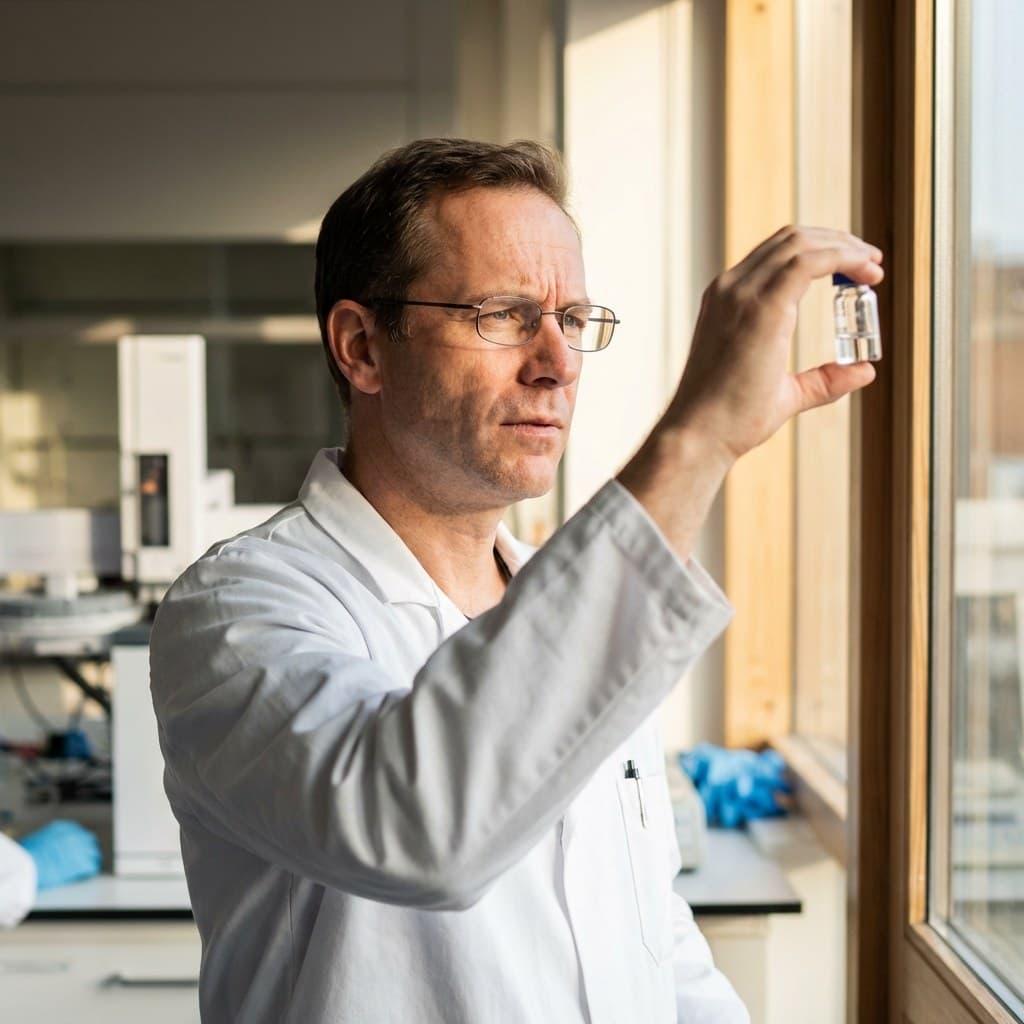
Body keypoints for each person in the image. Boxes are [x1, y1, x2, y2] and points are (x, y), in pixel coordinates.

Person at [149, 138, 882, 1023]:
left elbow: (653, 938)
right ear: (362, 348)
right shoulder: (238, 612)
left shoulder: (566, 600)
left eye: (572, 320)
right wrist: (698, 439)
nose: (558, 362)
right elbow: (420, 830)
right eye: (503, 314)